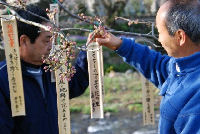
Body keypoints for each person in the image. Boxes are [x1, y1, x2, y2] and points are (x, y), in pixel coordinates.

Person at [88, 0, 200, 133]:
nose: (159, 39)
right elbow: (158, 65)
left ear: (180, 36)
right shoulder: (184, 67)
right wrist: (120, 45)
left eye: (160, 32)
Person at [0, 5, 89, 134]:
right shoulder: (3, 79)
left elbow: (74, 85)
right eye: (47, 40)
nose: (51, 46)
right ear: (24, 41)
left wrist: (88, 52)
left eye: (53, 39)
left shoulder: (51, 69)